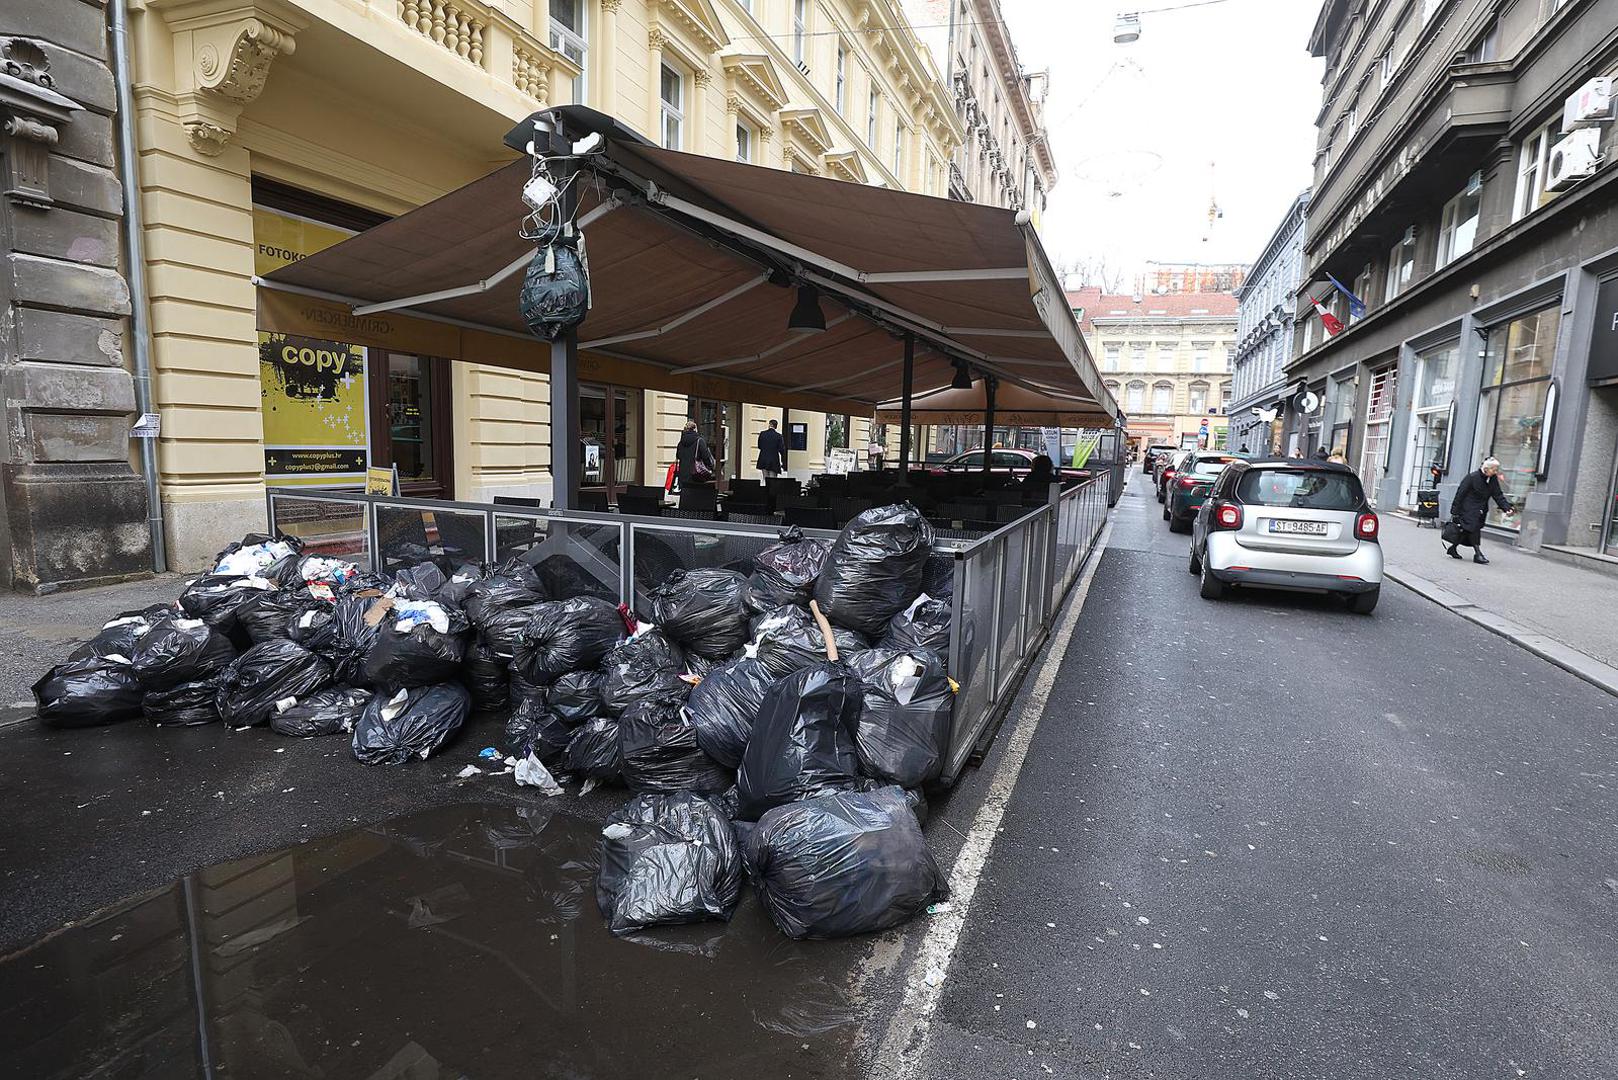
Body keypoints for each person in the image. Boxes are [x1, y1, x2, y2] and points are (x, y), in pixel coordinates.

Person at [1447, 456, 1514, 564]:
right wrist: (1455, 511)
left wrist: (1507, 508)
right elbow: (1460, 494)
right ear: (1486, 469)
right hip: (1468, 509)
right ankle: (1478, 554)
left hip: (1481, 510)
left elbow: (1498, 495)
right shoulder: (1472, 477)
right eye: (1494, 470)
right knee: (1474, 529)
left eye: (1496, 470)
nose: (1496, 472)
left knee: (1467, 531)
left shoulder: (1492, 479)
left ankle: (1453, 548)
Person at [676, 420, 715, 486]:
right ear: (695, 429)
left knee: (685, 491)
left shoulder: (681, 442)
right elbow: (705, 456)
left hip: (683, 475)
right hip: (696, 475)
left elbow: (678, 456)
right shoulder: (699, 441)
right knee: (696, 491)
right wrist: (710, 467)